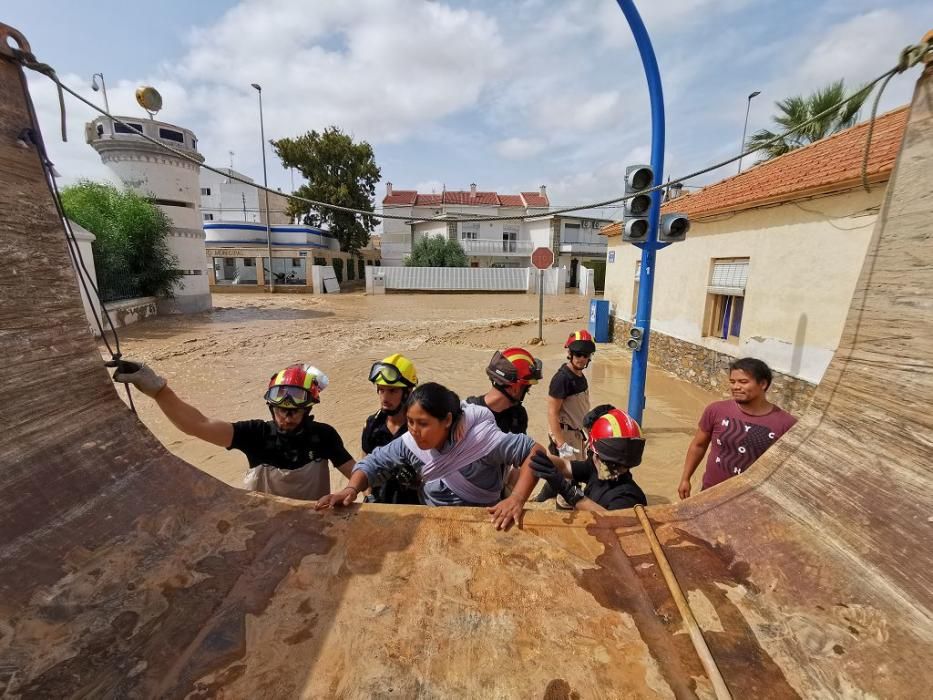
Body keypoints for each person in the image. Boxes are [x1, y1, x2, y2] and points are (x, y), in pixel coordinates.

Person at [111, 360, 354, 501]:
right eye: (280, 410)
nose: (286, 418)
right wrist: (158, 390)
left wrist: (347, 492)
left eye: (294, 412)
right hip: (264, 523)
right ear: (270, 408)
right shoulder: (255, 434)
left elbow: (356, 474)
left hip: (311, 523)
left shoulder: (324, 436)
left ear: (308, 410)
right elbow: (197, 425)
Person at [315, 382, 544, 530]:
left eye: (423, 424)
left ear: (446, 420)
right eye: (411, 422)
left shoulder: (481, 441)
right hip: (434, 527)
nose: (414, 430)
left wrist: (517, 499)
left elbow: (535, 452)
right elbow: (372, 463)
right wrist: (350, 490)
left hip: (486, 525)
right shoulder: (408, 445)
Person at [678, 357, 797, 499]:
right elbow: (698, 445)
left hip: (752, 499)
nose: (735, 387)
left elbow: (787, 470)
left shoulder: (786, 424)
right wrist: (685, 478)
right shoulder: (716, 410)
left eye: (743, 382)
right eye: (732, 382)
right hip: (709, 493)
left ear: (763, 384)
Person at [531, 407, 647, 512]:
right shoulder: (597, 470)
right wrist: (537, 455)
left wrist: (569, 492)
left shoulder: (628, 498)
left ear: (596, 453)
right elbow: (565, 466)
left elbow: (608, 521)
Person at [361, 354, 420, 504]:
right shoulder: (372, 425)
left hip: (415, 509)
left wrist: (416, 480)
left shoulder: (420, 426)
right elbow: (364, 465)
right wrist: (369, 496)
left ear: (408, 392)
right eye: (381, 390)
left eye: (392, 391)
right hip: (380, 505)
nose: (384, 398)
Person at [466, 347, 543, 434]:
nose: (527, 391)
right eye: (527, 389)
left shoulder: (466, 413)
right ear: (516, 388)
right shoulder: (464, 415)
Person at [547, 330, 595, 459]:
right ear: (570, 353)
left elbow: (581, 409)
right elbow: (552, 413)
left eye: (586, 355)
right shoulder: (561, 379)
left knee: (577, 476)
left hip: (577, 434)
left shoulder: (581, 377)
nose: (582, 359)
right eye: (578, 354)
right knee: (565, 477)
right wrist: (561, 444)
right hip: (564, 436)